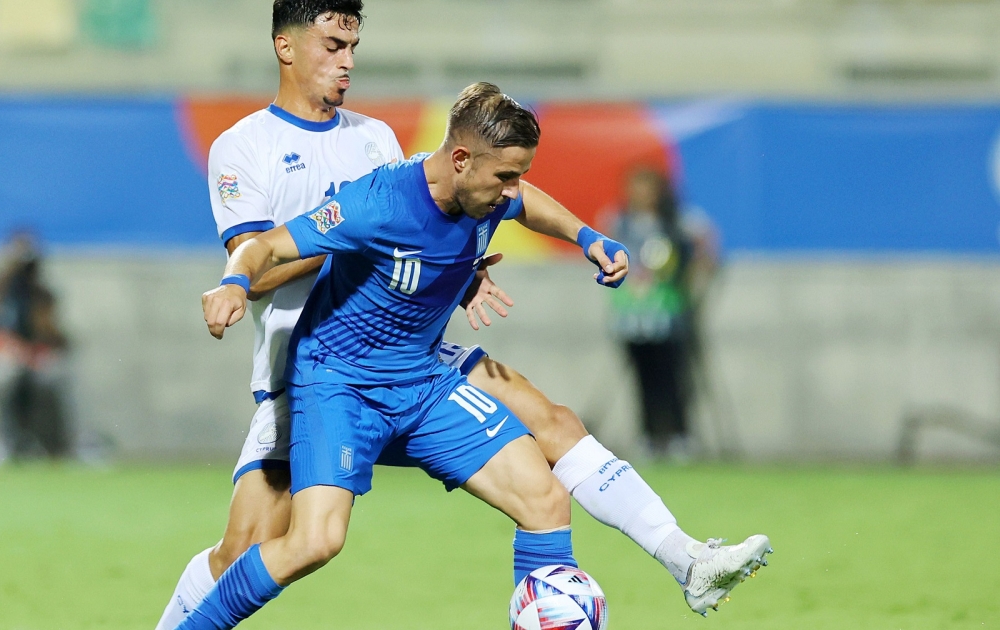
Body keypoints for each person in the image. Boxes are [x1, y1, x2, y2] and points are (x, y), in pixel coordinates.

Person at [155, 2, 769, 625]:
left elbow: (454, 213)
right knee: (253, 549)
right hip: (309, 367)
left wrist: (455, 268)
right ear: (285, 48)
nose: (347, 62)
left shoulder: (374, 139)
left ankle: (684, 557)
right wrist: (381, 251)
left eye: (353, 47)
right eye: (333, 46)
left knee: (551, 435)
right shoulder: (246, 147)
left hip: (410, 352)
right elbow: (261, 264)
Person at [607, 168, 720, 460]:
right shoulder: (620, 222)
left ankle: (680, 435)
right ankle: (649, 435)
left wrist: (692, 281)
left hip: (667, 312)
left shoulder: (677, 222)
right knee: (642, 380)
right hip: (632, 315)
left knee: (672, 377)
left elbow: (706, 242)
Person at [0, 231, 71, 459]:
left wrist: (37, 352)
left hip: (34, 360)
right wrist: (12, 349)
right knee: (2, 376)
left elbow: (54, 337)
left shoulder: (42, 295)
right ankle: (0, 442)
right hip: (3, 359)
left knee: (60, 374)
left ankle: (61, 445)